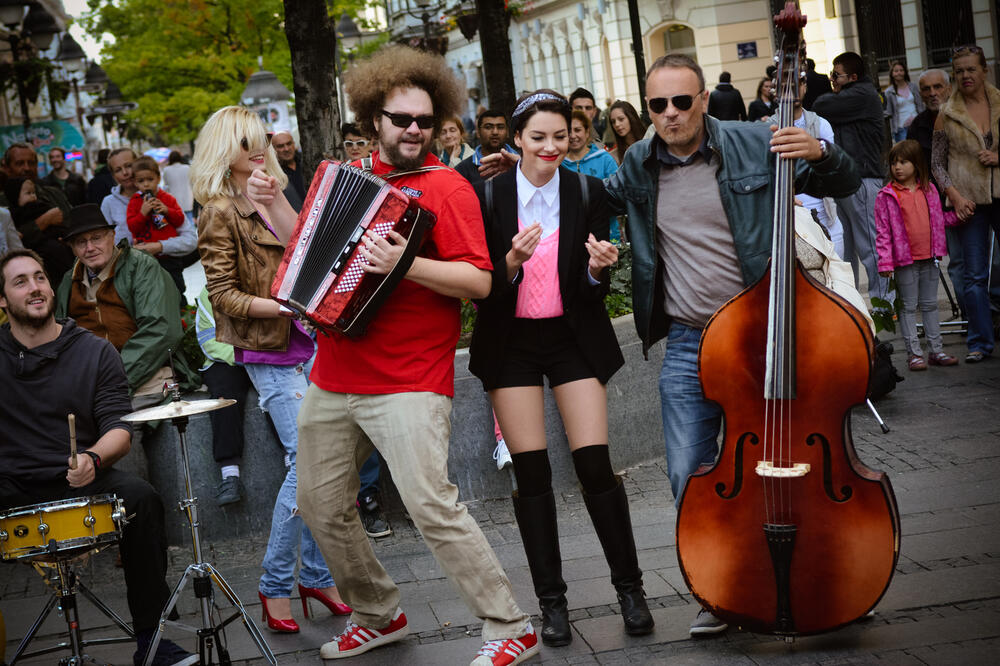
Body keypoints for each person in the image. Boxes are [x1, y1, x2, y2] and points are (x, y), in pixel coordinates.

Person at [261, 45, 538, 664]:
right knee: (319, 503)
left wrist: (406, 264)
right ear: (373, 120)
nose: (414, 130)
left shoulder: (447, 188)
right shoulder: (349, 179)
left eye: (424, 121)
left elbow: (481, 282)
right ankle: (377, 612)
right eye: (401, 119)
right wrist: (268, 202)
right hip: (334, 374)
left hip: (411, 377)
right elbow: (305, 246)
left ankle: (510, 625)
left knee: (430, 504)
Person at [603, 53, 860, 637]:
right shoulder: (639, 164)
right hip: (692, 342)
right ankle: (718, 589)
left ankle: (818, 571)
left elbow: (844, 180)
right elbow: (585, 203)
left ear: (702, 99)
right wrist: (511, 175)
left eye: (681, 101)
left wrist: (821, 152)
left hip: (767, 331)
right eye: (657, 105)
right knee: (692, 475)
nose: (669, 115)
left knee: (793, 461)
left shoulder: (754, 141)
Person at [469, 89, 653, 648]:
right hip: (513, 343)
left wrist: (599, 271)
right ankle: (553, 604)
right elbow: (479, 290)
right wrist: (509, 264)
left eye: (560, 136)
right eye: (538, 137)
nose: (551, 147)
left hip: (573, 338)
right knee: (531, 475)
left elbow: (589, 289)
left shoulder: (586, 189)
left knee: (595, 465)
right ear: (517, 139)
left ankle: (631, 591)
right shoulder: (492, 196)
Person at [0, 248, 198, 666]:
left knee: (142, 499)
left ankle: (153, 640)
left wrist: (92, 457)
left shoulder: (94, 351)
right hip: (11, 482)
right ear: (2, 300)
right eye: (20, 282)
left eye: (39, 277)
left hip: (80, 475)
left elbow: (120, 430)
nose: (35, 288)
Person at [191, 105, 347, 633]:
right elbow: (223, 297)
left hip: (315, 344)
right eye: (243, 143)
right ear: (221, 151)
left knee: (326, 467)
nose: (257, 149)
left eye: (259, 139)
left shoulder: (271, 193)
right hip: (273, 352)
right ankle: (276, 585)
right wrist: (285, 306)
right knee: (304, 467)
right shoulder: (217, 210)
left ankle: (317, 577)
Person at [54, 204, 199, 405]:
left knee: (120, 428)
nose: (90, 248)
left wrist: (113, 380)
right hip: (88, 384)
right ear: (72, 248)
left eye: (96, 238)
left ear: (112, 236)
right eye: (81, 242)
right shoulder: (68, 282)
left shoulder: (141, 267)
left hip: (144, 376)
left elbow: (161, 330)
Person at [932, 45, 1000, 363]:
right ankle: (979, 342)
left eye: (971, 69)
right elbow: (937, 164)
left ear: (984, 69)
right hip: (969, 203)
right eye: (959, 71)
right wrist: (955, 196)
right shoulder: (946, 113)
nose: (965, 75)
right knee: (973, 276)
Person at [814, 51, 891, 306]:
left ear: (853, 77)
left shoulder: (862, 94)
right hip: (848, 182)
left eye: (836, 75)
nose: (832, 80)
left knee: (870, 249)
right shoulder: (852, 97)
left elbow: (822, 105)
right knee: (846, 255)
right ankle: (853, 310)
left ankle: (885, 311)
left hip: (863, 181)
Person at [875, 140, 958, 371]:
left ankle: (936, 350)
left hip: (929, 258)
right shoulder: (886, 196)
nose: (897, 167)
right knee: (909, 307)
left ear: (916, 164)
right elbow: (883, 232)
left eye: (903, 162)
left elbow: (939, 220)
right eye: (893, 163)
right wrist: (885, 261)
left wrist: (960, 215)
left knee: (930, 305)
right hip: (905, 262)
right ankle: (914, 353)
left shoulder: (930, 190)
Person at [100, 148, 198, 300]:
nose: (125, 173)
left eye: (129, 165)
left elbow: (191, 239)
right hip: (132, 273)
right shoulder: (109, 203)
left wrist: (159, 246)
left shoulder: (164, 197)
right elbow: (105, 246)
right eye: (118, 170)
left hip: (167, 264)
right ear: (113, 175)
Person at [908, 69, 967, 318]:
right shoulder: (918, 126)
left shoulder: (964, 116)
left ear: (949, 87)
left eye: (938, 87)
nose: (933, 93)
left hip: (975, 197)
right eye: (926, 89)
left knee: (990, 263)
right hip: (941, 206)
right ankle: (970, 315)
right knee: (958, 264)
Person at [1, 144, 75, 283]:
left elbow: (73, 224)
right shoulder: (3, 205)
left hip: (65, 274)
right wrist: (43, 222)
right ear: (7, 168)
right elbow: (10, 241)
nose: (27, 168)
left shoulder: (53, 194)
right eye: (19, 163)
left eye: (31, 163)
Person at [793, 75, 845, 257]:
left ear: (805, 86)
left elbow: (834, 169)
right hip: (792, 222)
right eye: (787, 83)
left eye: (798, 82)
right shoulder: (768, 128)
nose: (793, 88)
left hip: (826, 215)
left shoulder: (820, 124)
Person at [563, 110, 621, 242]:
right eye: (568, 131)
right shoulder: (559, 165)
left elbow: (617, 193)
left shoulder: (604, 159)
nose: (573, 136)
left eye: (578, 130)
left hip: (607, 233)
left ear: (587, 131)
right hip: (573, 236)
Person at [456, 109, 516, 187]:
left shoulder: (521, 163)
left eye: (500, 127)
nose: (495, 132)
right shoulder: (462, 170)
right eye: (488, 127)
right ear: (478, 132)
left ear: (507, 132)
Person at [884, 60, 924, 143]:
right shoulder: (888, 92)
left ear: (905, 72)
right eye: (896, 71)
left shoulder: (913, 86)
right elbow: (889, 112)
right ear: (892, 73)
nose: (899, 73)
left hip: (917, 125)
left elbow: (920, 105)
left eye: (901, 70)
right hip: (901, 129)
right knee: (905, 154)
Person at [271, 131, 306, 213]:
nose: (286, 149)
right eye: (280, 146)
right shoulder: (274, 174)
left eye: (289, 144)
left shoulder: (307, 162)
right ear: (273, 150)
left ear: (294, 144)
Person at [160, 151, 194, 221]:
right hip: (187, 198)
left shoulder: (166, 170)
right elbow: (192, 183)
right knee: (190, 220)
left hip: (174, 200)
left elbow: (166, 186)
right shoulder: (187, 168)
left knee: (177, 221)